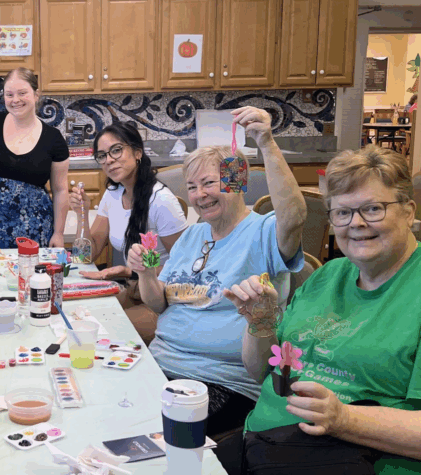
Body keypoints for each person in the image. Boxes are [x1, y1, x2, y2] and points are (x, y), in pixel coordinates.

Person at [219, 145, 421, 474]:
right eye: (342, 213)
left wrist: (345, 419)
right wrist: (259, 323)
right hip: (262, 444)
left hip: (349, 458)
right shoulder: (327, 276)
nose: (356, 223)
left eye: (373, 209)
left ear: (407, 211)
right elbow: (264, 373)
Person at [126, 106, 307, 436]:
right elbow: (158, 305)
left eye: (209, 183)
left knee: (151, 434)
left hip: (222, 380)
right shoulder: (192, 235)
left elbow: (294, 217)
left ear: (237, 181)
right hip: (159, 366)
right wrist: (147, 274)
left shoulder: (262, 232)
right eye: (192, 187)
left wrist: (266, 141)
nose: (199, 195)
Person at [68, 122, 187, 344]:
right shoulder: (113, 194)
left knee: (102, 335)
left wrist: (132, 272)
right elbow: (86, 256)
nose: (109, 160)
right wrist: (82, 213)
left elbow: (186, 268)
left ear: (137, 152)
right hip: (133, 290)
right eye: (102, 155)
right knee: (78, 318)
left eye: (116, 150)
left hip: (166, 300)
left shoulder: (161, 200)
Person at [0, 67, 70, 248]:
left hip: (34, 227)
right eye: (9, 94)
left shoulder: (53, 139)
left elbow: (60, 190)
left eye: (22, 93)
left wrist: (58, 233)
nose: (15, 100)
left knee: (30, 274)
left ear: (36, 94)